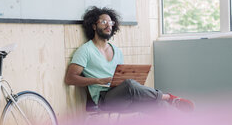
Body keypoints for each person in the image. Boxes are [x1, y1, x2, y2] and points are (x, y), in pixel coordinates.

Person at [64, 6, 194, 112]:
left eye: (110, 22)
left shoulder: (118, 52)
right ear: (93, 26)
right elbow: (70, 78)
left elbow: (122, 80)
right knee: (129, 84)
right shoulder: (85, 50)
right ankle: (168, 97)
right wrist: (98, 80)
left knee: (159, 106)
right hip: (105, 100)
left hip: (125, 97)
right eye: (104, 22)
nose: (108, 25)